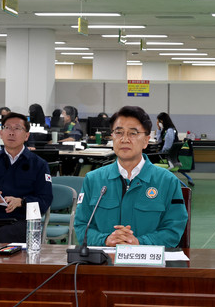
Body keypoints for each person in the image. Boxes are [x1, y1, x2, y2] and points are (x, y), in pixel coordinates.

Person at [74, 105, 188, 247]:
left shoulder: (167, 181)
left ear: (146, 140)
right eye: (119, 132)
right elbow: (81, 225)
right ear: (112, 137)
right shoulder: (93, 180)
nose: (124, 139)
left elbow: (173, 230)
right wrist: (106, 240)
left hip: (147, 259)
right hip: (104, 258)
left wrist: (139, 242)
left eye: (133, 133)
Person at [0, 112, 53, 243]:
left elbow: (45, 200)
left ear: (26, 136)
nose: (11, 133)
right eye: (7, 128)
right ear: (1, 133)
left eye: (17, 128)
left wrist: (22, 202)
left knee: (5, 233)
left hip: (23, 219)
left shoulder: (39, 164)